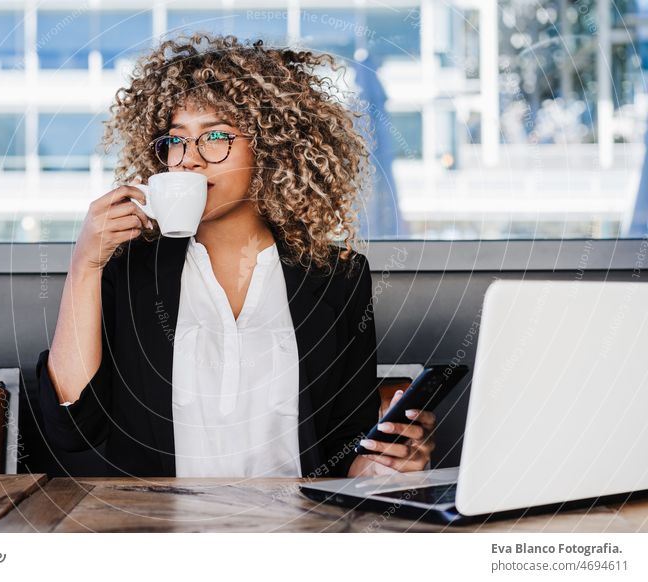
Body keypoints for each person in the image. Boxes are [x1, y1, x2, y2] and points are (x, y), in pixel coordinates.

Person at [35, 33, 436, 478]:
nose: (189, 160)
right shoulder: (125, 271)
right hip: (159, 533)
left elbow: (345, 452)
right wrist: (84, 264)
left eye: (216, 136)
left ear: (269, 149)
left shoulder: (337, 277)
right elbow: (71, 429)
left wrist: (388, 461)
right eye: (176, 140)